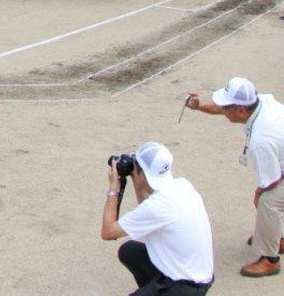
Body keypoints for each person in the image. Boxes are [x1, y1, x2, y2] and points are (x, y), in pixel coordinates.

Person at [187, 77, 284, 277]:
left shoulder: (262, 139)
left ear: (240, 110)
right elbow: (223, 109)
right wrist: (199, 107)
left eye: (226, 106)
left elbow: (272, 180)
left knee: (268, 201)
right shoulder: (261, 101)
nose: (222, 109)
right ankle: (277, 236)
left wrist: (261, 191)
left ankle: (270, 259)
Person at [100, 141, 215, 294]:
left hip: (186, 288)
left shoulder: (158, 206)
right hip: (196, 275)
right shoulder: (183, 185)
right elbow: (146, 207)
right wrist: (136, 179)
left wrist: (114, 188)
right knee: (129, 251)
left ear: (142, 172)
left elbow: (108, 232)